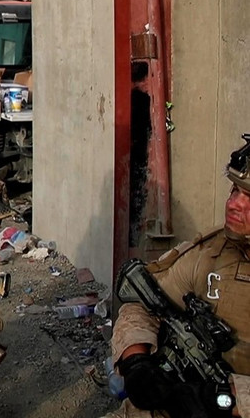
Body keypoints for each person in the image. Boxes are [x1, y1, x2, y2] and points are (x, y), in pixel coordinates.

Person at [103, 134, 250, 418]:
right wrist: (137, 362)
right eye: (235, 191)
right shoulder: (209, 253)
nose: (234, 204)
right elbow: (143, 301)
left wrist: (223, 398)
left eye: (249, 198)